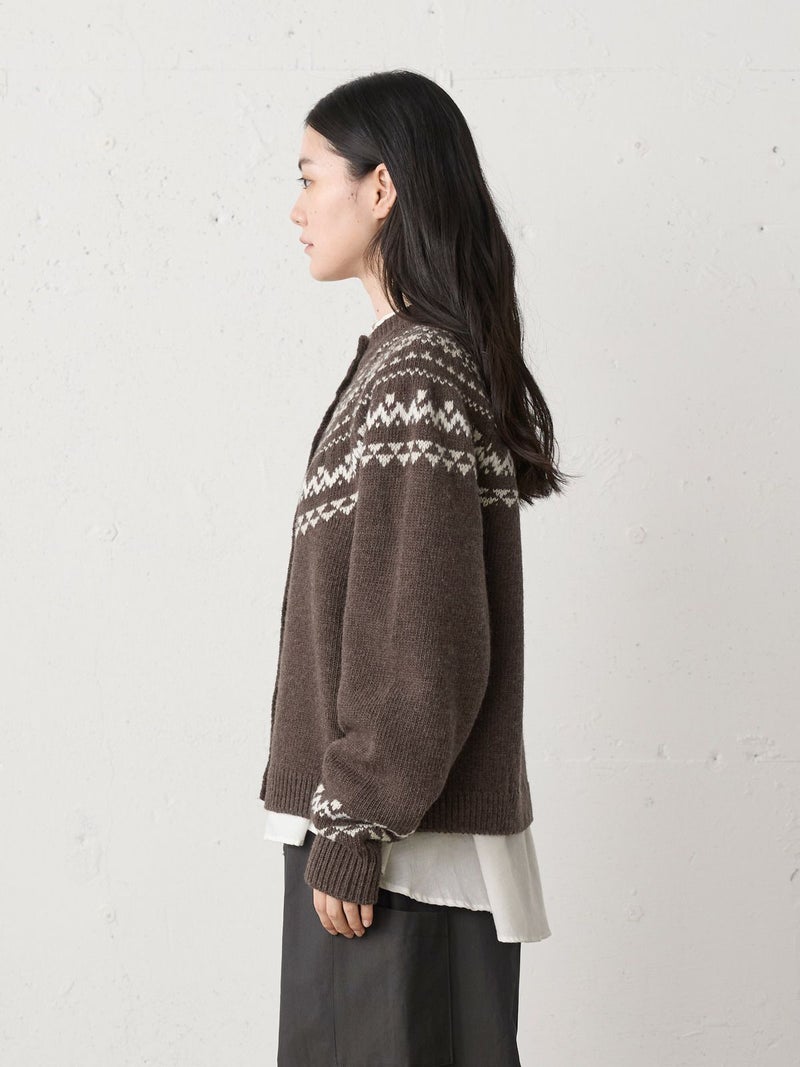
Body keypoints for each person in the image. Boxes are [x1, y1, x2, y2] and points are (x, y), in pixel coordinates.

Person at [257, 68, 572, 1067]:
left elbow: (423, 634)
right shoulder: (401, 366)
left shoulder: (416, 376)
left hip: (396, 858)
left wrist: (354, 824)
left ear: (381, 188)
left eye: (311, 177)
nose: (297, 207)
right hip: (387, 846)